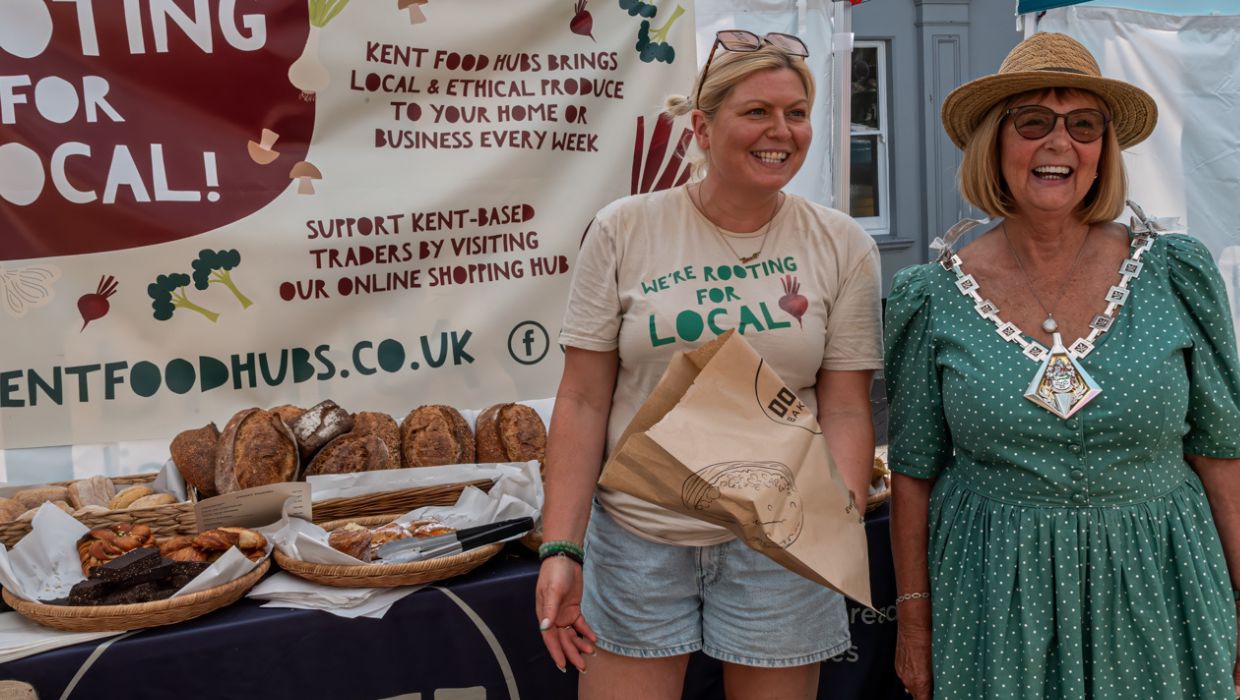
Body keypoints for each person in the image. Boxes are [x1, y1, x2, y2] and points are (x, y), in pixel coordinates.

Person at [886, 32, 1240, 700]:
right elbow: (913, 472)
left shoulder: (1176, 273)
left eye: (1084, 126)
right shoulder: (930, 297)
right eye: (1033, 122)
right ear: (995, 142)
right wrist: (913, 622)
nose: (1059, 143)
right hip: (996, 603)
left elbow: (1222, 454)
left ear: (1104, 150)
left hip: (1164, 584)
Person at [534, 30, 883, 700]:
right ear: (702, 125)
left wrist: (826, 528)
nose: (780, 130)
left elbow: (844, 404)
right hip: (639, 536)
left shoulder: (843, 245)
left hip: (777, 548)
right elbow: (581, 399)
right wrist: (561, 546)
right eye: (756, 111)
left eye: (796, 113)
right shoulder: (624, 229)